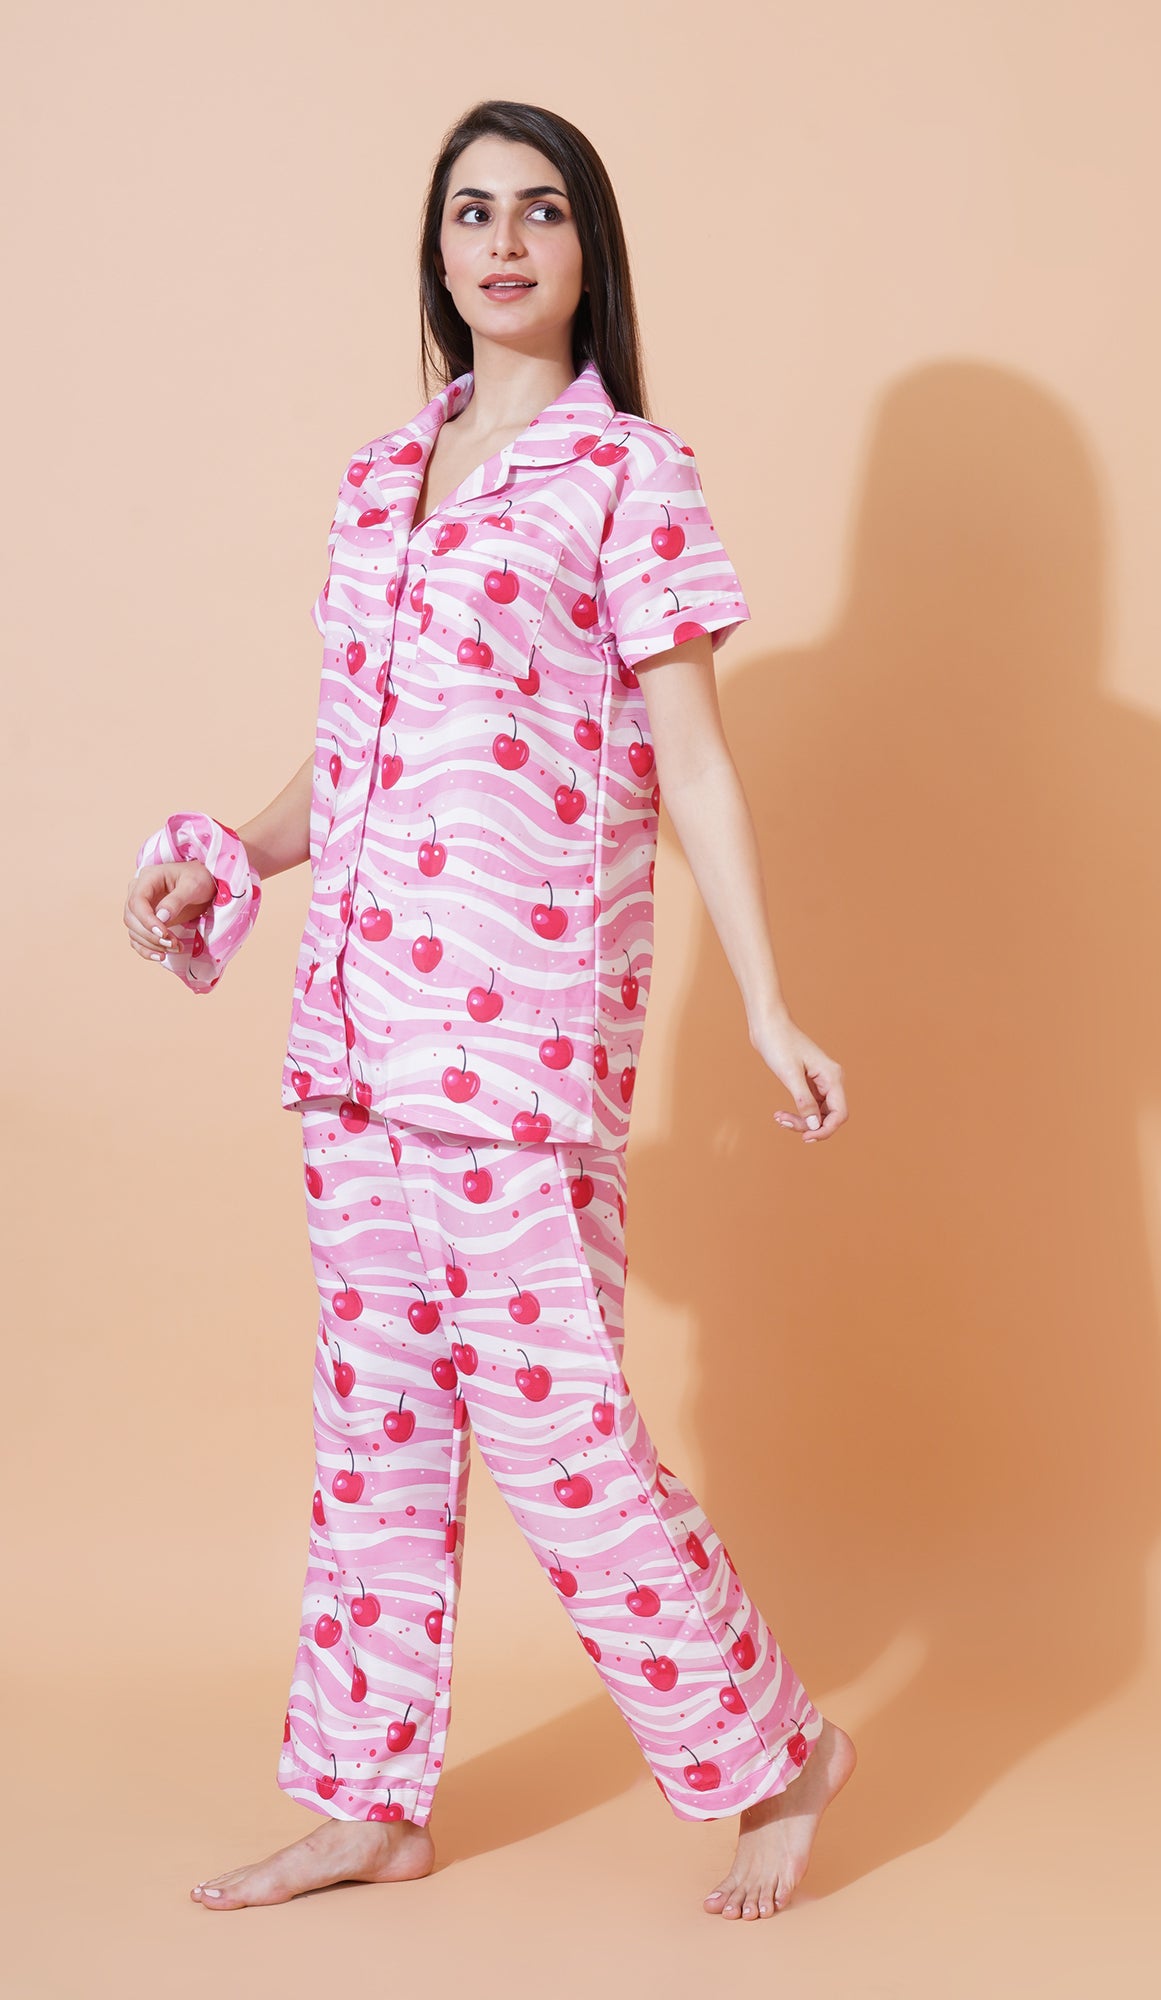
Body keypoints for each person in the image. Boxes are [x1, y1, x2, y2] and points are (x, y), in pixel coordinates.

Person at [122, 100, 854, 1919]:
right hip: (355, 1033)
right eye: (471, 212)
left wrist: (768, 1004)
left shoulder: (631, 477)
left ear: (589, 250)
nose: (504, 242)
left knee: (564, 1439)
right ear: (437, 251)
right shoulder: (385, 475)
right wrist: (237, 854)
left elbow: (693, 758)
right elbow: (365, 744)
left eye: (540, 211)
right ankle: (369, 1800)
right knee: (372, 1433)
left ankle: (776, 1752)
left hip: (517, 1042)